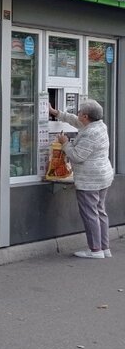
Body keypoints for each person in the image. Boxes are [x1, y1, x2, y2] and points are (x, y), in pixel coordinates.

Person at [49, 100, 114, 258]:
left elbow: (77, 156)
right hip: (102, 176)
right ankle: (104, 247)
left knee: (90, 214)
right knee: (100, 211)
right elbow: (75, 121)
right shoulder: (99, 126)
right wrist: (56, 113)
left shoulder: (90, 133)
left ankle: (95, 250)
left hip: (90, 180)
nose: (77, 114)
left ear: (85, 116)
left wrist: (65, 143)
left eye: (79, 112)